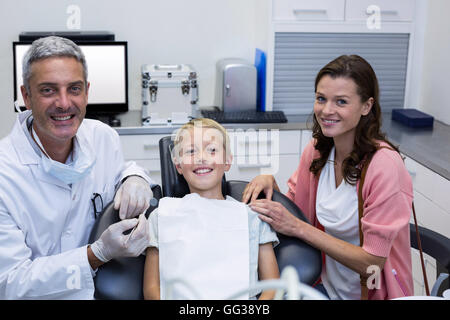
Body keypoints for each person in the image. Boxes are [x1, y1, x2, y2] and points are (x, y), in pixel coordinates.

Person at [243, 55, 414, 300]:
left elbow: (372, 263)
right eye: (321, 98)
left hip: (372, 295)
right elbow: (295, 214)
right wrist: (270, 182)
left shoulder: (384, 166)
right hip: (325, 288)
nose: (326, 110)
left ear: (366, 106)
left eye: (341, 102)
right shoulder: (318, 150)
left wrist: (299, 228)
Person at [0, 36, 154, 299]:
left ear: (87, 91)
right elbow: (10, 283)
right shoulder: (6, 173)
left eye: (74, 89)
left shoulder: (102, 137)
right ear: (26, 95)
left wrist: (135, 177)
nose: (63, 103)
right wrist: (96, 255)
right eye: (48, 90)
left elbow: (121, 171)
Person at [143, 118, 279, 300]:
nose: (201, 157)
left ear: (228, 161)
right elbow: (152, 288)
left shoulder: (252, 217)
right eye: (191, 151)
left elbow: (272, 287)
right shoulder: (161, 217)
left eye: (212, 150)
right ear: (178, 166)